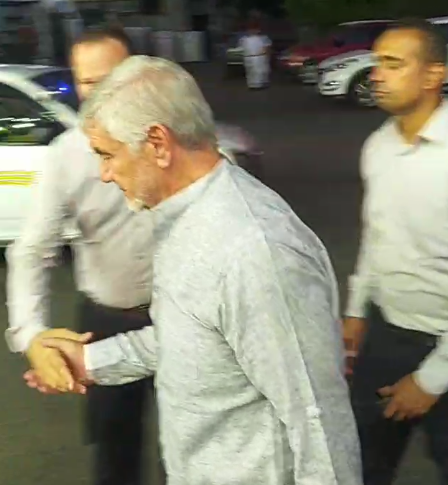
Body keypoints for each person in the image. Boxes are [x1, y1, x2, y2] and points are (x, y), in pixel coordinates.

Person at [30, 54, 363, 485]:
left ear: (158, 143)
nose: (105, 174)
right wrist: (89, 360)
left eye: (108, 155)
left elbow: (318, 423)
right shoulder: (184, 215)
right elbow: (195, 335)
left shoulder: (254, 253)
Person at [5, 28, 161, 485]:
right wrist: (31, 335)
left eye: (110, 79)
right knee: (114, 454)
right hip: (107, 322)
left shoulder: (171, 139)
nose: (99, 93)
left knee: (194, 448)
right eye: (87, 82)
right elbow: (32, 250)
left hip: (184, 318)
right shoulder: (67, 156)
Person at [343, 18, 448, 485]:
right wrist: (356, 310)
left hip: (443, 343)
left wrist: (430, 381)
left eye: (393, 63)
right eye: (375, 63)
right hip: (387, 337)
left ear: (434, 75)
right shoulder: (378, 147)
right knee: (361, 464)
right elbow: (376, 235)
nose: (376, 75)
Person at [239, 22, 271, 89]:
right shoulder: (243, 39)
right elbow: (242, 49)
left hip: (259, 56)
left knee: (259, 71)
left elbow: (266, 48)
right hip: (248, 57)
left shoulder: (263, 38)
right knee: (250, 71)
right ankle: (252, 85)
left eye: (254, 29)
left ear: (258, 30)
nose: (252, 31)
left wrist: (267, 56)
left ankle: (259, 85)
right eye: (250, 29)